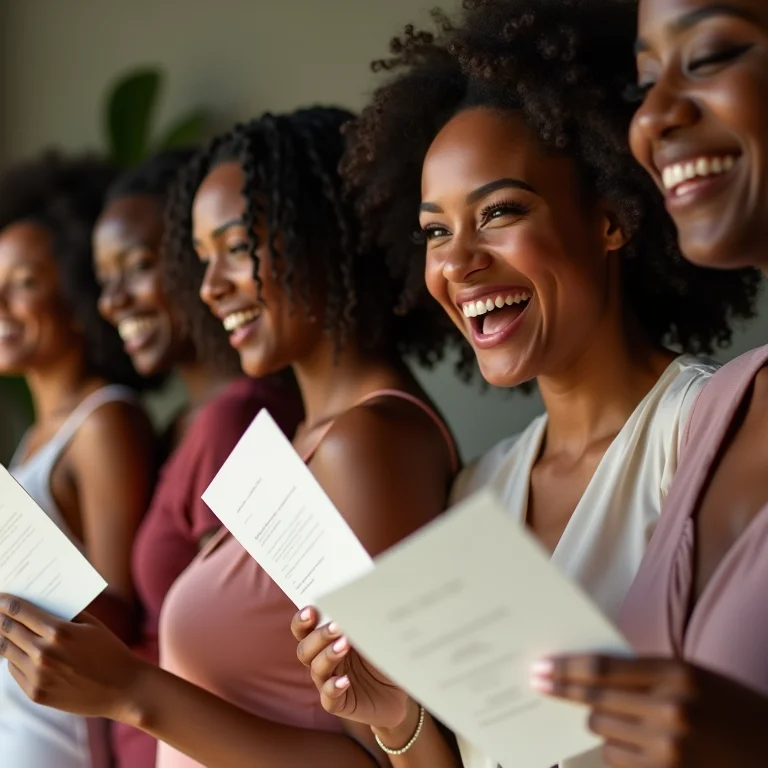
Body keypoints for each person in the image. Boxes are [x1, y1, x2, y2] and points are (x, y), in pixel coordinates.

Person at [289, 3, 761, 767]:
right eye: (436, 231)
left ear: (611, 218)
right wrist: (398, 716)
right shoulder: (475, 492)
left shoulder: (714, 430)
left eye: (500, 211)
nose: (457, 262)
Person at [0, 107, 459, 768]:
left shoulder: (363, 445)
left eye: (237, 249)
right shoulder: (306, 439)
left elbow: (388, 755)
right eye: (201, 259)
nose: (210, 288)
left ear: (322, 235)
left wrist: (131, 691)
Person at [533, 1, 768, 766]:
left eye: (711, 55)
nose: (653, 117)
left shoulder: (680, 409)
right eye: (644, 81)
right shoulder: (726, 405)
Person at [92, 148, 304, 767]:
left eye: (139, 267)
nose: (113, 301)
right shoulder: (175, 430)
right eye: (103, 279)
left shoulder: (234, 424)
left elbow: (247, 653)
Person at [0, 152, 156, 768]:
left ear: (76, 292)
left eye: (23, 283)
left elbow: (123, 621)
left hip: (60, 742)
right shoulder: (34, 439)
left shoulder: (103, 423)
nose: (0, 303)